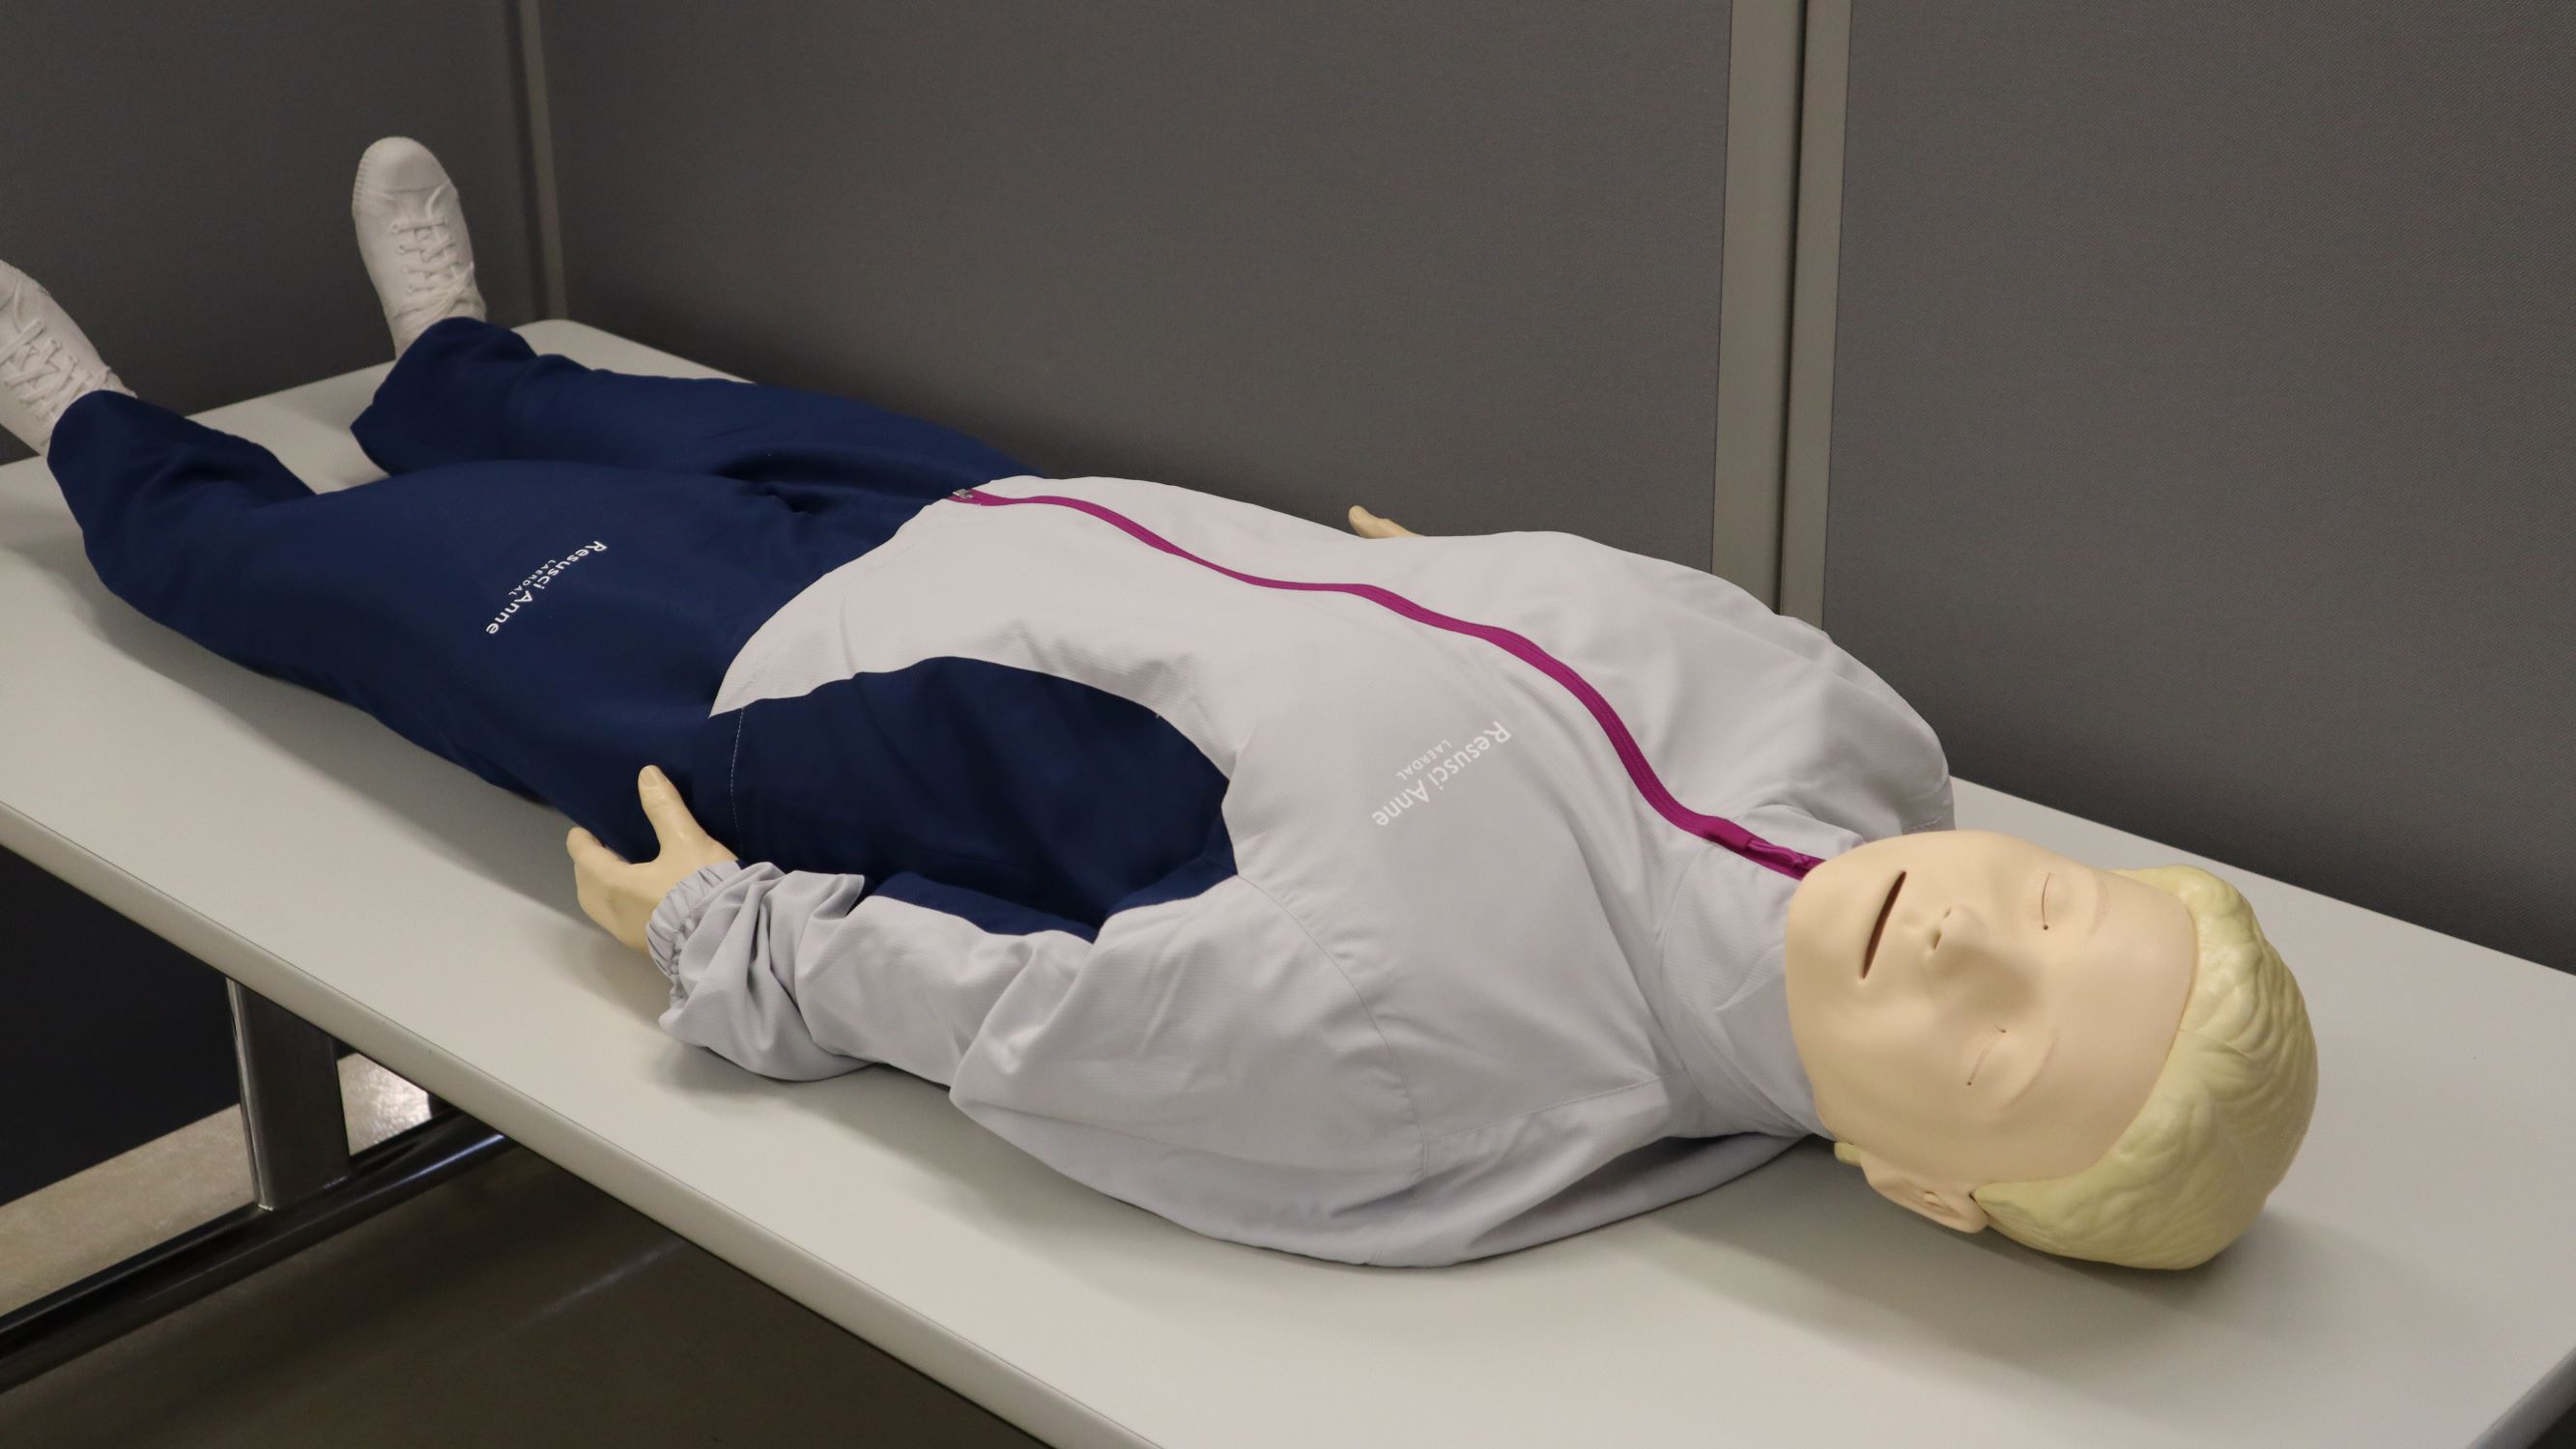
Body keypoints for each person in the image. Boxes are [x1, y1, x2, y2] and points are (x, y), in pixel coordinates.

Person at [2, 139, 2315, 1269]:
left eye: (1998, 1043)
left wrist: (740, 941)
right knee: (641, 419)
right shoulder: (1865, 749)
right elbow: (1641, 617)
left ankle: (103, 446)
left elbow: (1033, 1026)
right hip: (1050, 521)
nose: (1972, 935)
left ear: (1921, 1186)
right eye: (2054, 910)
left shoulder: (1435, 1064)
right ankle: (451, 366)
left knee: (350, 585)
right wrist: (1431, 581)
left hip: (815, 699)